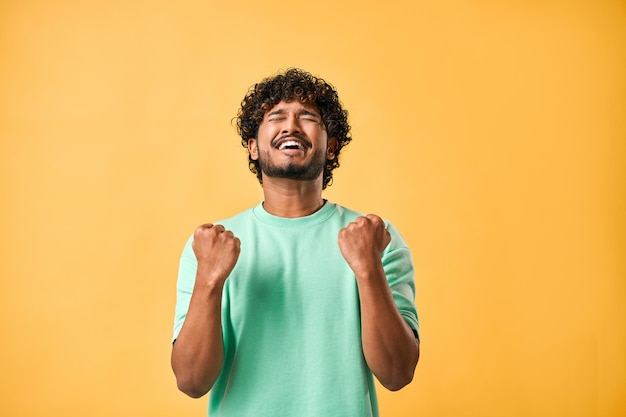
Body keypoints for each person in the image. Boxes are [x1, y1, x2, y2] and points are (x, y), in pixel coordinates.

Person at [171, 68, 420, 417]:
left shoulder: (376, 238)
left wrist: (368, 270)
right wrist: (210, 280)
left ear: (331, 147)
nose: (291, 126)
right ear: (253, 147)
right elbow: (191, 381)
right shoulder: (211, 245)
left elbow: (397, 374)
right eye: (277, 117)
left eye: (307, 117)